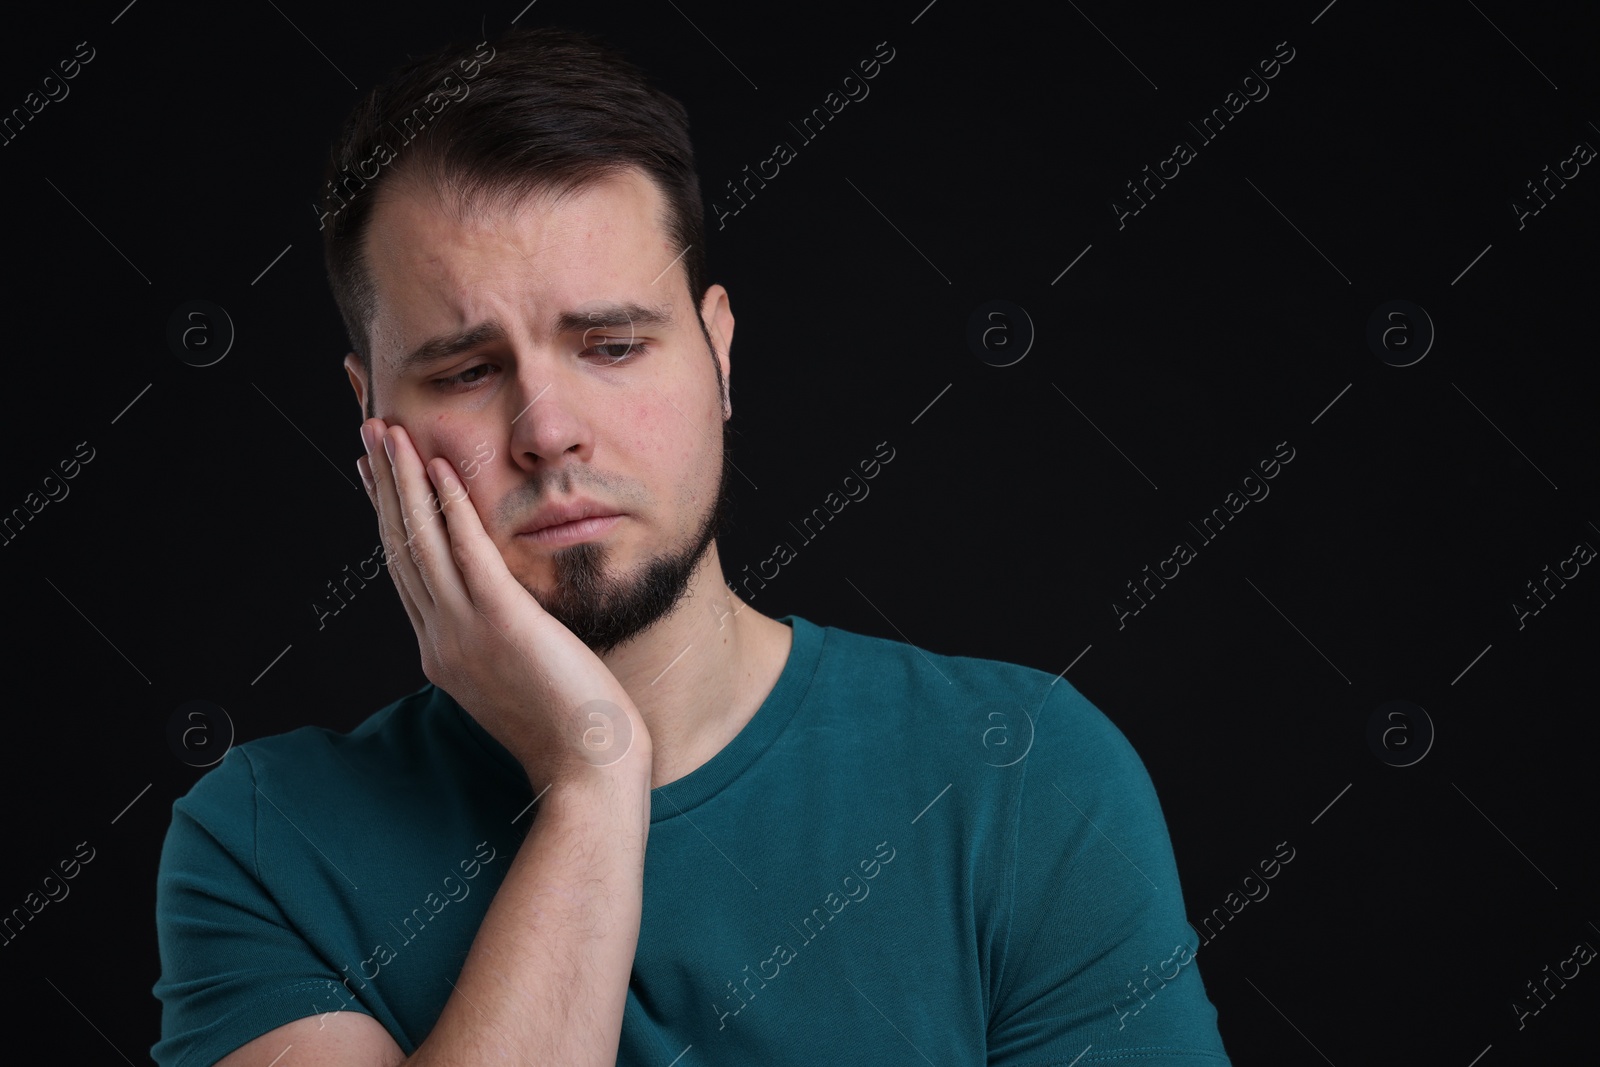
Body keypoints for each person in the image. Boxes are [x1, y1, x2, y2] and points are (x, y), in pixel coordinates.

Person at [152, 25, 1233, 1067]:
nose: (546, 429)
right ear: (369, 413)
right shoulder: (264, 842)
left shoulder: (1020, 771)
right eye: (466, 371)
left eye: (612, 344)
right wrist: (592, 775)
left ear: (717, 355)